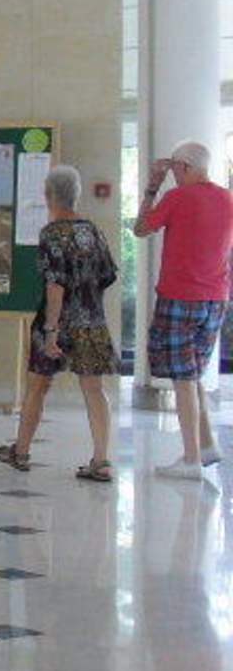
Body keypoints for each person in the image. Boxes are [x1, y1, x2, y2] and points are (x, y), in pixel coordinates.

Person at [0, 165, 116, 480]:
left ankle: (20, 451)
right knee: (94, 389)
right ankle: (101, 460)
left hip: (56, 324)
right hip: (92, 322)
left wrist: (51, 331)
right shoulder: (94, 231)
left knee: (38, 385)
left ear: (49, 196)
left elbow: (55, 285)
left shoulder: (51, 234)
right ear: (77, 195)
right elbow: (107, 275)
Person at [134, 139, 233, 480]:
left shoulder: (177, 197)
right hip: (216, 298)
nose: (172, 173)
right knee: (192, 374)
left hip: (180, 297)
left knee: (183, 378)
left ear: (186, 167)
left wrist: (152, 187)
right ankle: (206, 445)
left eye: (174, 167)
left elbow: (141, 229)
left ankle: (190, 458)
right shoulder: (227, 198)